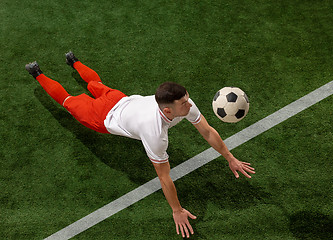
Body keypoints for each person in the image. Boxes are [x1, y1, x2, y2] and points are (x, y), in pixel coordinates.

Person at [25, 52, 255, 238]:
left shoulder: (184, 105)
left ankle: (73, 61)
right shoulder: (154, 133)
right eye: (184, 103)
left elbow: (206, 131)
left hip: (121, 99)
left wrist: (230, 157)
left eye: (187, 99)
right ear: (168, 111)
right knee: (69, 100)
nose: (190, 105)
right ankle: (38, 73)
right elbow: (164, 178)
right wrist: (177, 210)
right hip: (102, 117)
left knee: (95, 83)